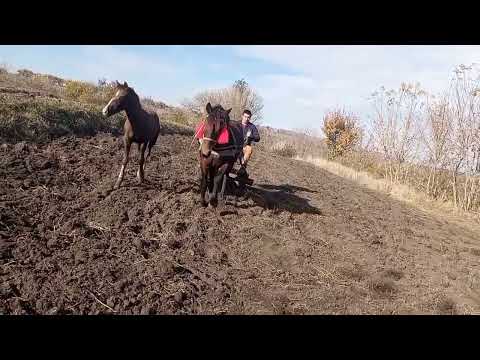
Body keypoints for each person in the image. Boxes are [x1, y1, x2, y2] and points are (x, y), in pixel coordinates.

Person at [237, 109, 260, 178]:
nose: (246, 119)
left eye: (248, 117)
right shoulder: (237, 124)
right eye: (245, 116)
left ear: (250, 118)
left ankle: (242, 167)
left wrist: (250, 137)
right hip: (235, 145)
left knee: (249, 149)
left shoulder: (252, 127)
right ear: (242, 116)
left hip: (245, 146)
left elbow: (257, 138)